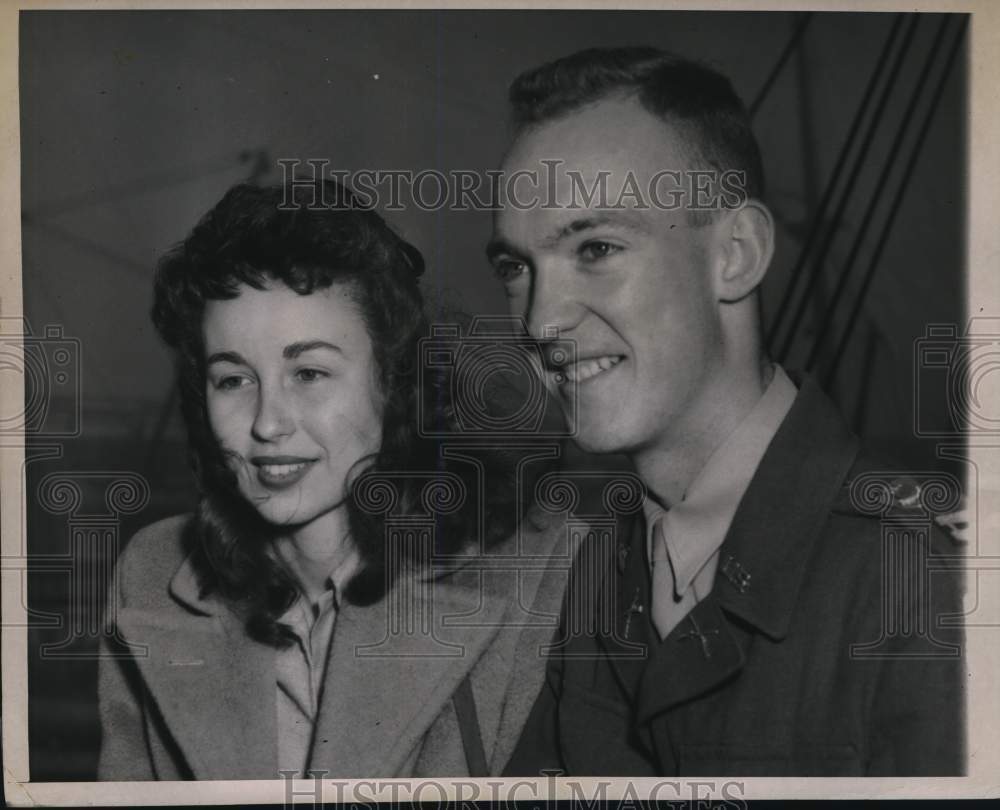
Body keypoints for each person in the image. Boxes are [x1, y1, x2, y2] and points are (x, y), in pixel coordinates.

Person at [491, 47, 966, 776]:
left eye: (597, 247)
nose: (542, 321)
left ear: (736, 255)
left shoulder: (928, 580)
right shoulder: (600, 569)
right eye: (517, 268)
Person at [97, 180, 573, 780]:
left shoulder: (546, 567)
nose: (268, 423)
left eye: (310, 373)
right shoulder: (151, 573)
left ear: (393, 384)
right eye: (233, 379)